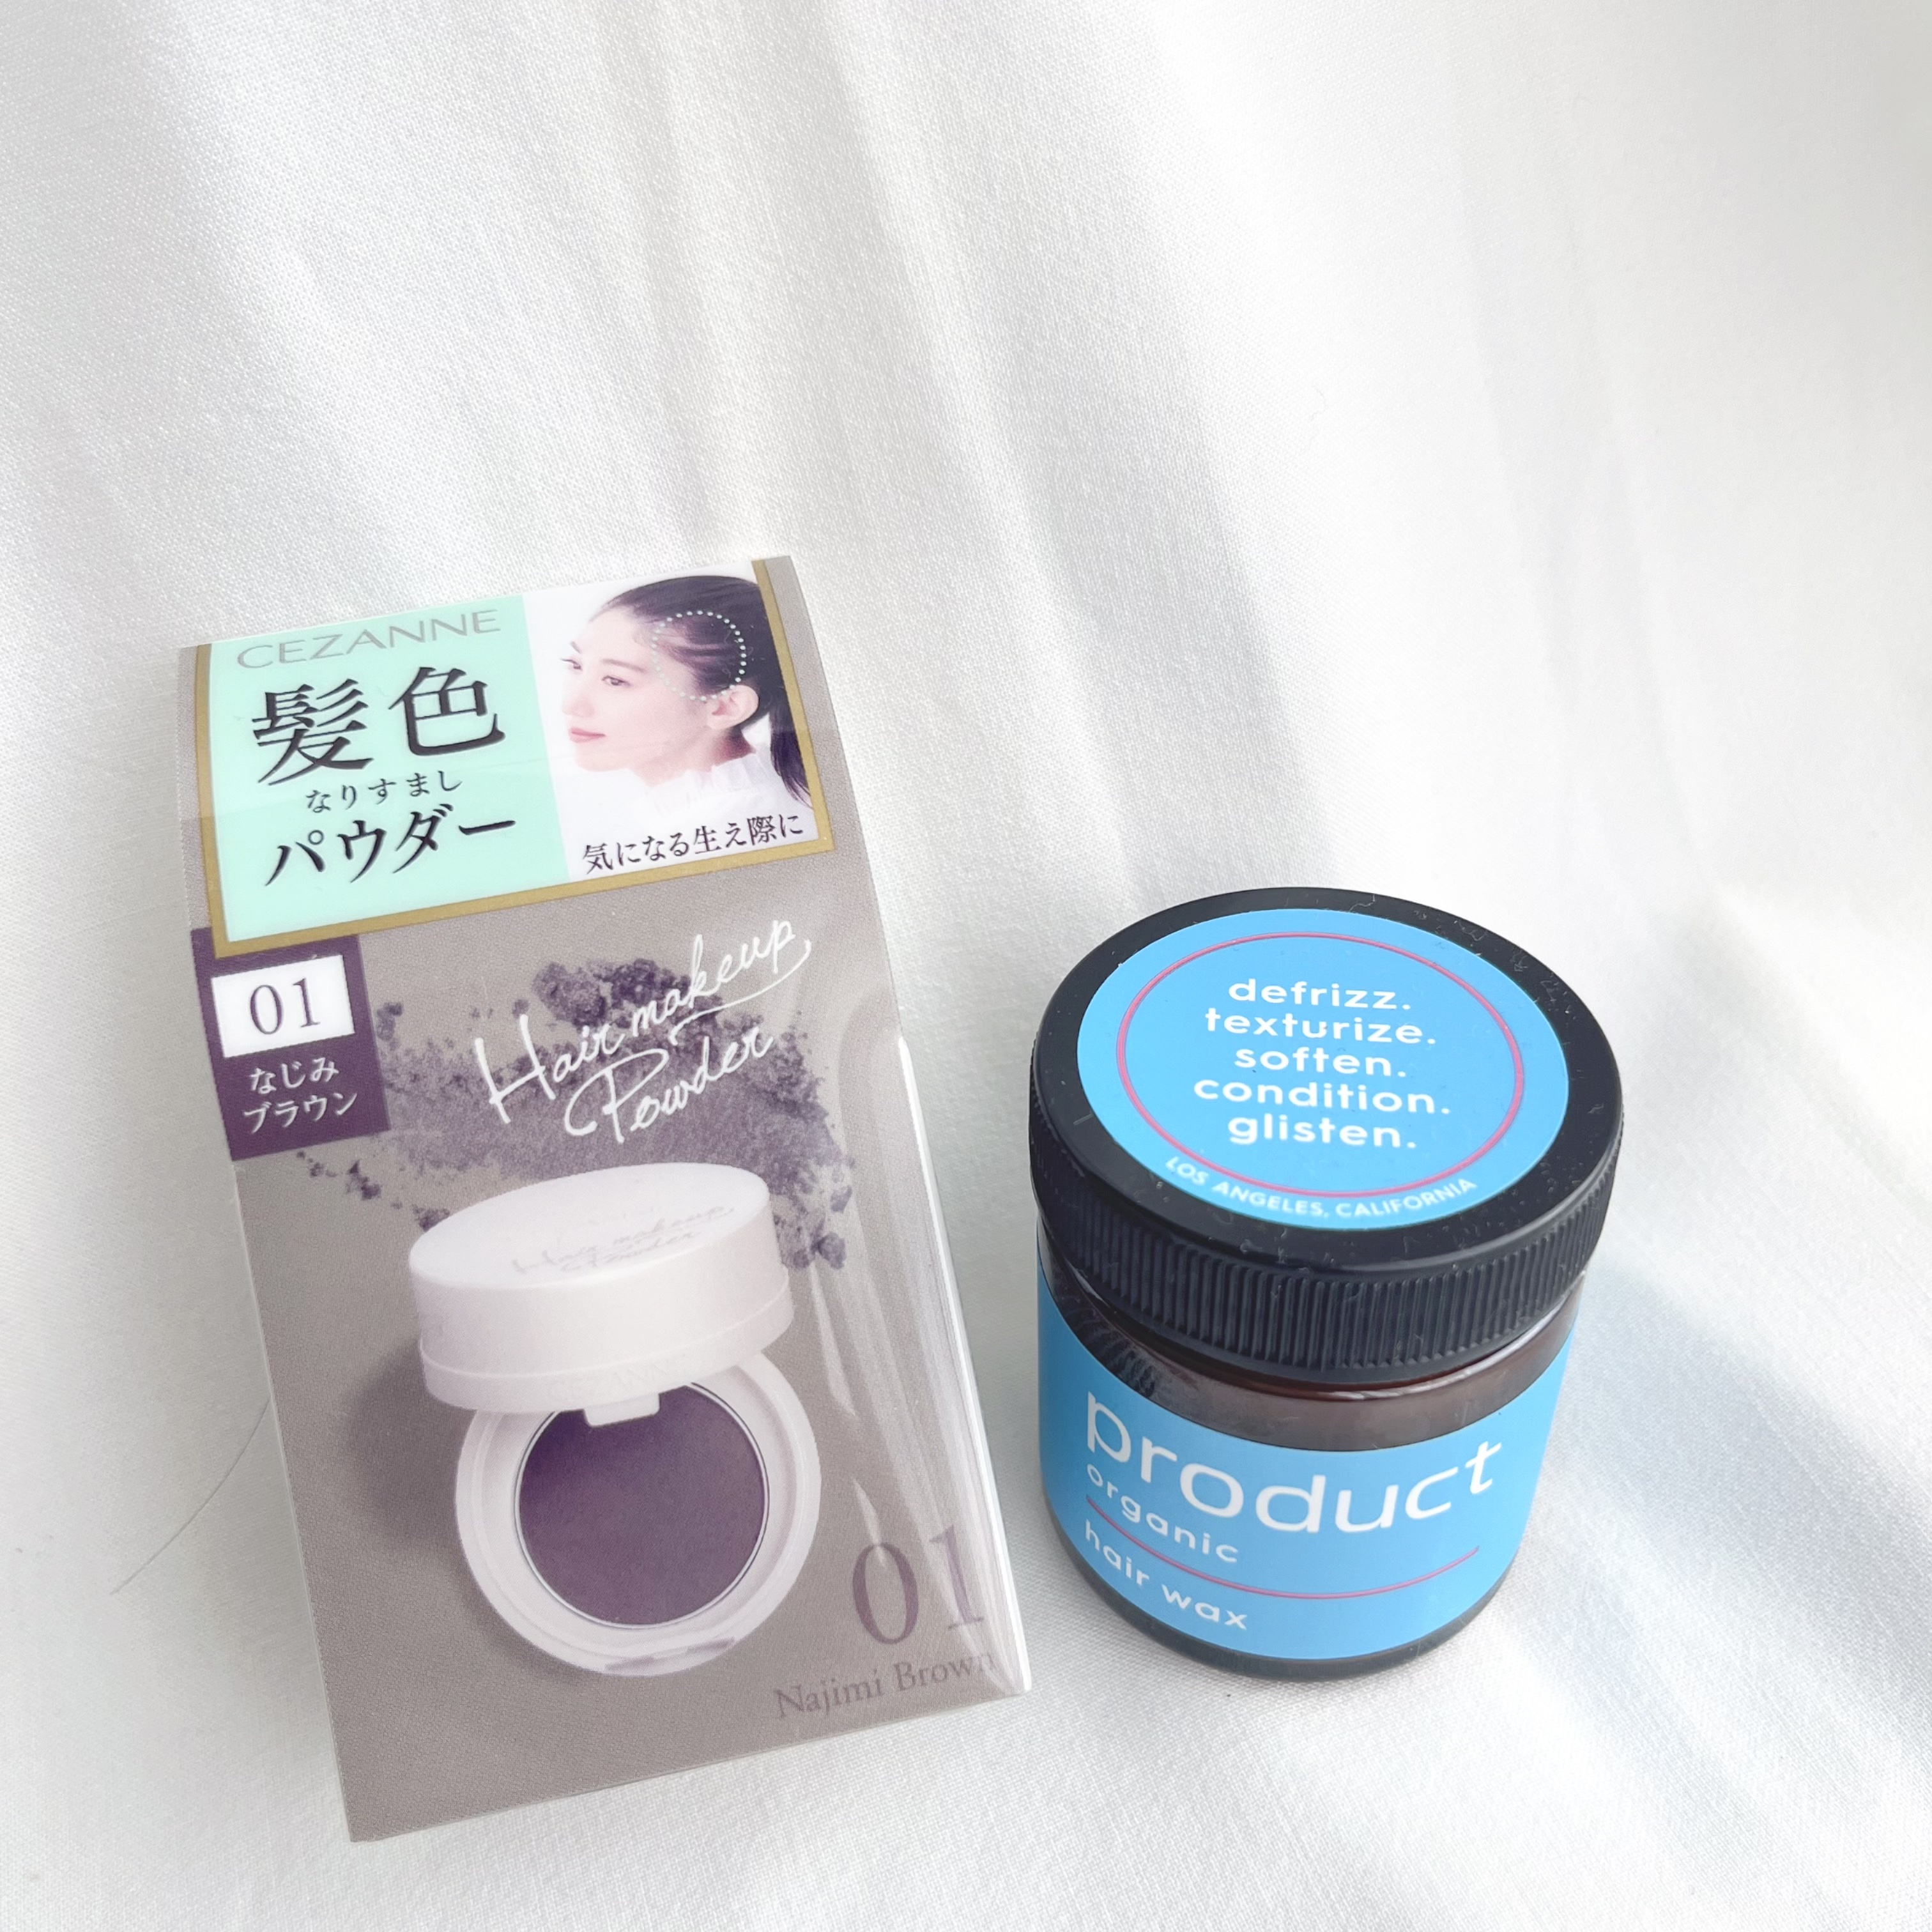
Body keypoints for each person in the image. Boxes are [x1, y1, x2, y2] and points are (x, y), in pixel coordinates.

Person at [558, 574, 813, 839]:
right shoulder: (758, 798)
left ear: (725, 707)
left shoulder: (720, 831)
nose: (570, 705)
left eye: (616, 680)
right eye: (576, 665)